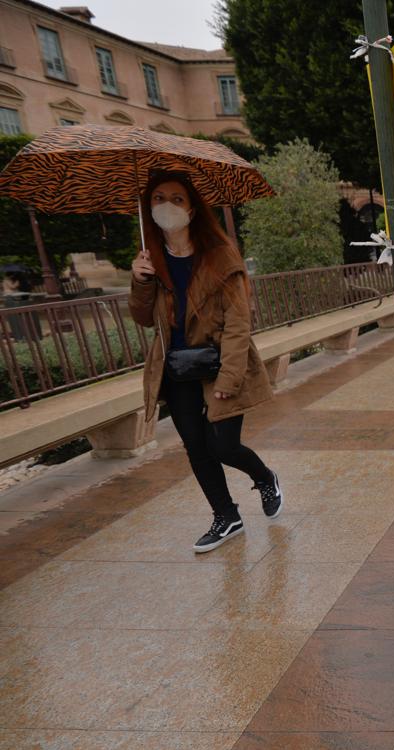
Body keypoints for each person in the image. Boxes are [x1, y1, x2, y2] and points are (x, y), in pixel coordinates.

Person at [129, 171, 281, 553]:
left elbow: (237, 324)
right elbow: (144, 319)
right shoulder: (151, 260)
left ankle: (264, 477)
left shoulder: (220, 256)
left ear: (192, 209)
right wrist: (140, 281)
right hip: (177, 368)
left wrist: (228, 380)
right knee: (196, 447)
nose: (167, 205)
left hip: (218, 365)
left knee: (224, 446)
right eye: (158, 198)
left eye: (176, 199)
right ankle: (226, 515)